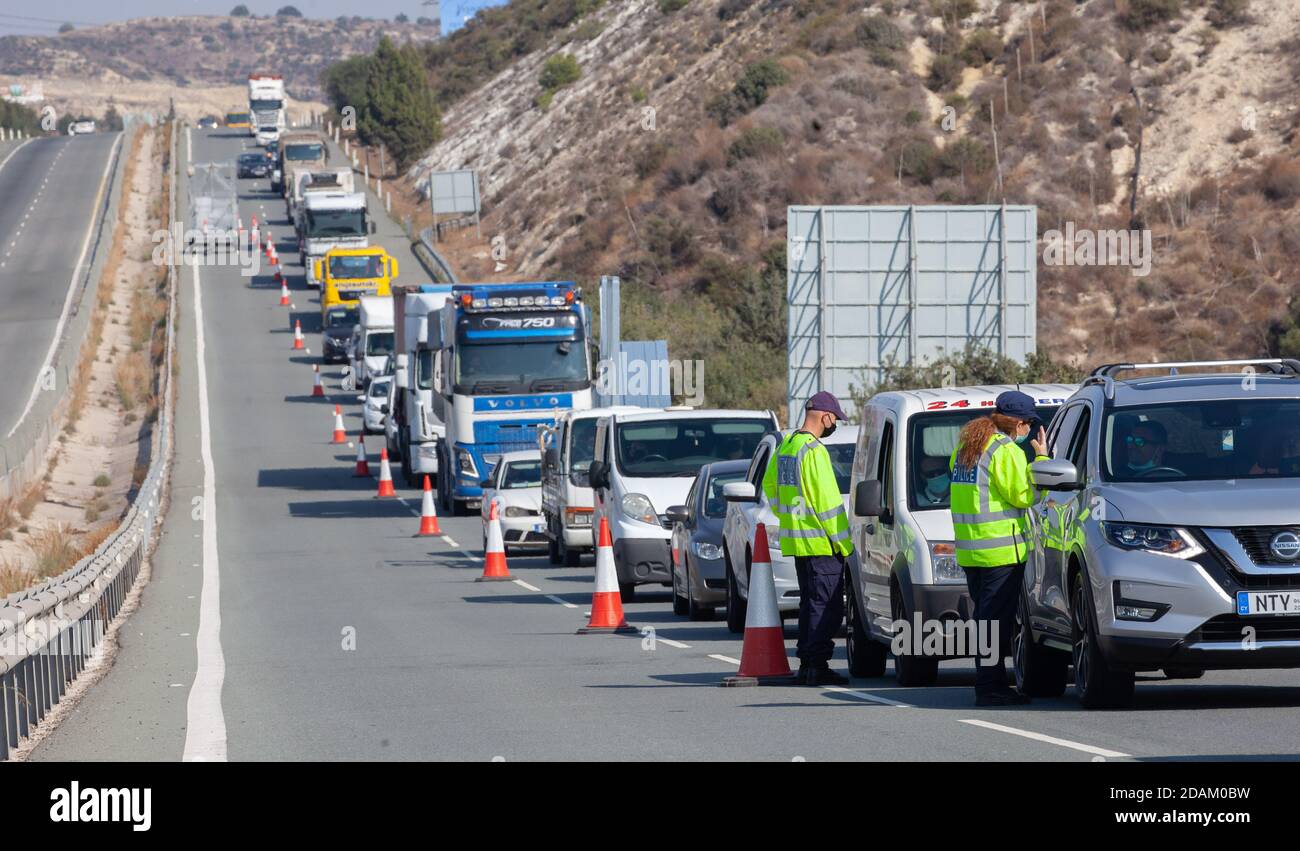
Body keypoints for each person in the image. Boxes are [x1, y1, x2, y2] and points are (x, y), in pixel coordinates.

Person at [949, 391, 1047, 707]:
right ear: (1019, 423)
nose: (1029, 430)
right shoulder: (1006, 452)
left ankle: (990, 683)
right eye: (1029, 424)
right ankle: (990, 687)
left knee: (986, 621)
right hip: (1001, 552)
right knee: (995, 624)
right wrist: (1042, 460)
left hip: (971, 551)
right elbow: (1023, 495)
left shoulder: (965, 449)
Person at [762, 391, 853, 686]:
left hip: (798, 541)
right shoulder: (814, 452)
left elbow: (770, 486)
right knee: (827, 606)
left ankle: (807, 662)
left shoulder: (788, 446)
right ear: (825, 416)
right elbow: (828, 504)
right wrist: (844, 544)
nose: (834, 424)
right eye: (834, 419)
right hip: (821, 543)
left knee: (810, 604)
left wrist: (790, 513)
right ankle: (817, 665)